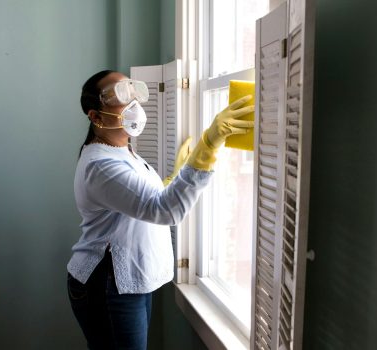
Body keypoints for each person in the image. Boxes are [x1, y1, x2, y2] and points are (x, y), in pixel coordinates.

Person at [67, 70, 254, 349]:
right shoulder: (100, 164)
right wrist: (208, 145)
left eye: (132, 91)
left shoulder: (121, 150)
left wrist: (174, 177)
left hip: (127, 280)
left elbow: (140, 198)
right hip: (108, 283)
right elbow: (165, 211)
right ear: (96, 117)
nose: (132, 103)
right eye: (120, 95)